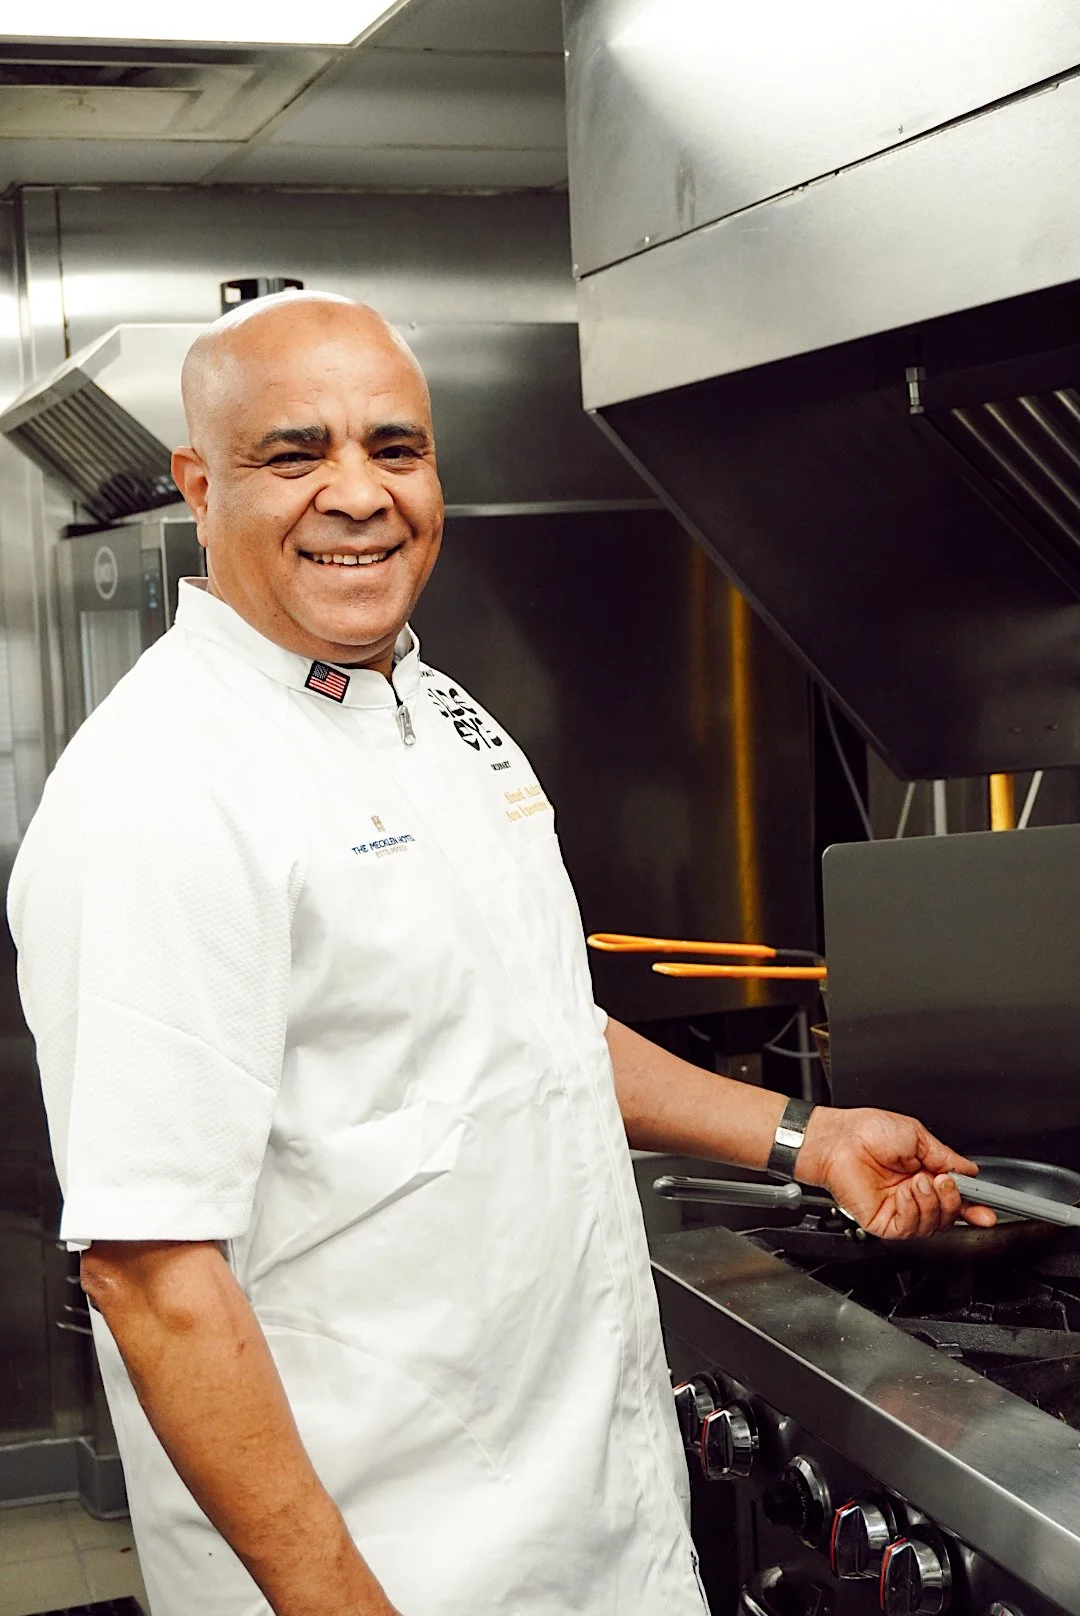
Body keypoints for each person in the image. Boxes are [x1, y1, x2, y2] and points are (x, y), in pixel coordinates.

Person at [8, 292, 993, 1616]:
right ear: (199, 483)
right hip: (381, 1558)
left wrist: (801, 1139)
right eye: (295, 454)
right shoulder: (162, 791)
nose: (356, 495)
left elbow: (531, 1019)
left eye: (395, 448)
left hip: (588, 1523)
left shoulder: (433, 707)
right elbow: (149, 1274)